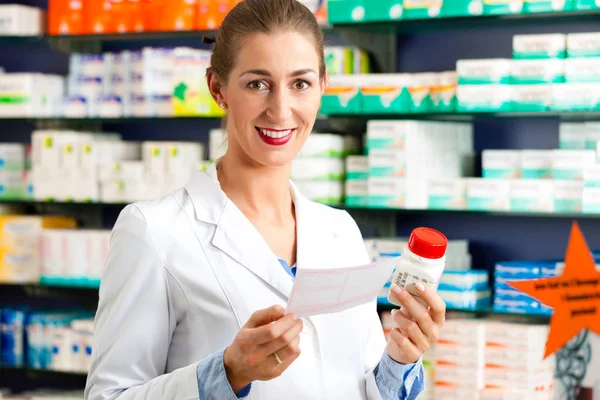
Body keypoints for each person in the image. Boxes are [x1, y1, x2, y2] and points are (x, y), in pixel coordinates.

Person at [84, 0, 446, 399]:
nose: (280, 109)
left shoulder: (339, 230)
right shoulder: (154, 231)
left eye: (300, 84)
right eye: (257, 83)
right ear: (218, 88)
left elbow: (357, 384)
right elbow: (108, 395)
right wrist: (225, 373)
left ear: (323, 86)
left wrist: (399, 359)